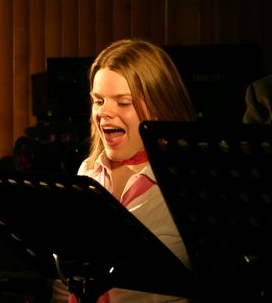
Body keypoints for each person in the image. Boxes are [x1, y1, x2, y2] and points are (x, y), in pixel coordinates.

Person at [53, 38, 198, 303]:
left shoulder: (187, 182)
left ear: (160, 106)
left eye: (123, 102)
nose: (104, 112)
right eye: (98, 101)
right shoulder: (88, 172)